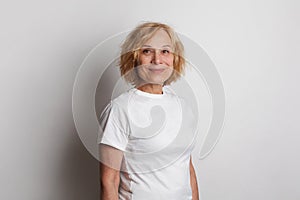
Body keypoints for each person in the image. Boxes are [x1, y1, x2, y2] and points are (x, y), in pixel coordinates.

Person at [98, 22, 199, 200]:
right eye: (147, 51)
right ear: (135, 57)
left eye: (165, 51)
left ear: (174, 58)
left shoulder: (184, 107)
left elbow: (188, 170)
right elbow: (109, 182)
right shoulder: (120, 109)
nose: (157, 60)